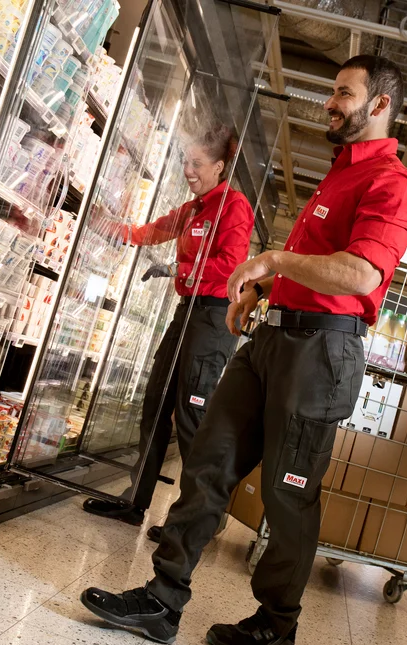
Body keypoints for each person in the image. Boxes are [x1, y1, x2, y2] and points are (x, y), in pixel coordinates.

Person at [80, 54, 407, 645]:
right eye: (332, 91)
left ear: (380, 105)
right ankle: (162, 597)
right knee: (208, 461)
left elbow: (360, 273)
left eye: (344, 93)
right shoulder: (339, 173)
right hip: (271, 339)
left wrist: (272, 261)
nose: (330, 102)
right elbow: (315, 263)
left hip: (321, 354)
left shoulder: (392, 185)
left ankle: (277, 623)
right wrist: (264, 290)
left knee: (288, 493)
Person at [82, 125, 254, 528]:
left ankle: (195, 519)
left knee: (191, 415)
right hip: (187, 311)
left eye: (197, 163)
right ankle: (135, 501)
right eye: (184, 161)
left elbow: (231, 266)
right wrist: (107, 226)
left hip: (213, 316)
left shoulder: (234, 206)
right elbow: (153, 231)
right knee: (156, 401)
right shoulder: (193, 208)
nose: (187, 170)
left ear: (219, 166)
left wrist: (181, 268)